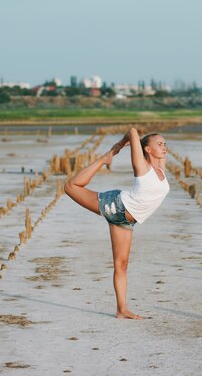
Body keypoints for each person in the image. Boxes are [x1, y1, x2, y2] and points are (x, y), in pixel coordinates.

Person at [64, 127, 169, 319]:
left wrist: (157, 146)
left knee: (122, 265)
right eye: (159, 144)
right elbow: (132, 131)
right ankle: (103, 159)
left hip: (126, 221)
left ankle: (121, 310)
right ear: (147, 149)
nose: (164, 147)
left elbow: (155, 152)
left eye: (165, 144)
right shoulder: (142, 167)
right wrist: (118, 147)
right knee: (70, 187)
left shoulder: (160, 168)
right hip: (116, 206)